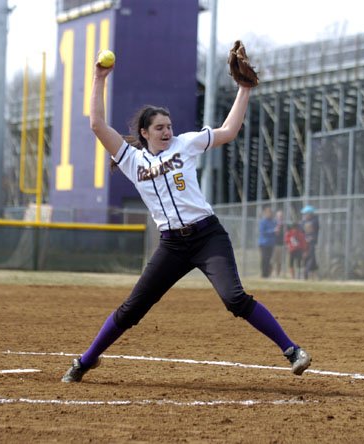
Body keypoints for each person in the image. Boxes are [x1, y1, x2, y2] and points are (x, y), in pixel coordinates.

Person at [62, 52, 311, 383]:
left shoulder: (186, 144)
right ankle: (85, 361)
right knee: (132, 310)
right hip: (172, 246)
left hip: (208, 237)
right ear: (144, 132)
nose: (167, 131)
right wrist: (99, 79)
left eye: (169, 126)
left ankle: (292, 351)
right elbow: (96, 124)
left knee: (234, 299)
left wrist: (244, 89)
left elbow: (228, 130)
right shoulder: (131, 160)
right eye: (159, 127)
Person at [301, 206, 319, 280]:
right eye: (304, 214)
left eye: (306, 214)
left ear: (310, 214)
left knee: (311, 257)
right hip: (305, 242)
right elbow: (302, 230)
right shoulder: (304, 221)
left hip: (311, 242)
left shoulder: (314, 221)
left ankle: (306, 272)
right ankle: (313, 274)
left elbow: (311, 228)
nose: (305, 216)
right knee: (308, 258)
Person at [258, 206, 276, 278]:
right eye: (268, 212)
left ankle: (267, 274)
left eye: (271, 212)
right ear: (265, 213)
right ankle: (264, 274)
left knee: (268, 259)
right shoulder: (263, 222)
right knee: (264, 258)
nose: (270, 214)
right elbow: (263, 232)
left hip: (271, 243)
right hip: (264, 243)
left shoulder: (273, 222)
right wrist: (273, 231)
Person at [272, 210, 285, 278]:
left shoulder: (284, 225)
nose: (280, 217)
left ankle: (278, 274)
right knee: (272, 260)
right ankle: (270, 273)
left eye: (281, 216)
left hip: (281, 245)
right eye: (279, 216)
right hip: (273, 244)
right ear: (276, 217)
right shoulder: (273, 224)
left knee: (279, 261)